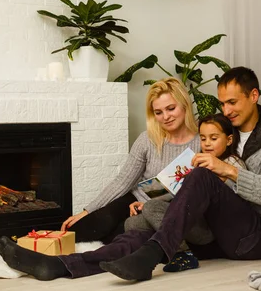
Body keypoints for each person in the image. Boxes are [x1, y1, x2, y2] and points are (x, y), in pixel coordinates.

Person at [0, 66, 261, 282]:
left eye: (232, 102)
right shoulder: (219, 132)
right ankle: (61, 265)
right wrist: (144, 202)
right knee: (138, 235)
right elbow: (154, 184)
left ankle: (153, 253)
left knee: (200, 175)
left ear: (254, 96)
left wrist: (226, 171)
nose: (226, 109)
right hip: (214, 234)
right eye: (222, 102)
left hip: (254, 235)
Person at [62, 77, 200, 244]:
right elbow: (122, 181)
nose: (166, 117)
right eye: (158, 112)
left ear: (184, 104)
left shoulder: (203, 142)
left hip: (161, 209)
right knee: (96, 223)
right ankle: (44, 244)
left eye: (171, 108)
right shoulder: (147, 139)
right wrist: (86, 211)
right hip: (135, 199)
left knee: (124, 234)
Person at [125, 113, 246, 273]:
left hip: (210, 228)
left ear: (229, 140)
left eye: (214, 138)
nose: (207, 144)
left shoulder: (232, 164)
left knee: (152, 208)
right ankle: (159, 248)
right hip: (190, 218)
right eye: (203, 139)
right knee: (132, 223)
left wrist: (220, 176)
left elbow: (236, 199)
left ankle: (182, 253)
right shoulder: (201, 161)